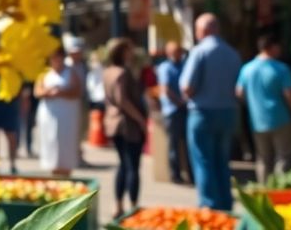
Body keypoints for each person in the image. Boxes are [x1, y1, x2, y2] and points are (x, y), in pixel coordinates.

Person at [180, 13, 242, 211]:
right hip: (228, 113)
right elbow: (239, 89)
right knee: (222, 161)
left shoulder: (199, 52)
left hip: (203, 114)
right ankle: (226, 204)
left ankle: (209, 206)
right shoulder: (233, 53)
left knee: (203, 160)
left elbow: (187, 86)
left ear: (203, 30)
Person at [236, 35, 291, 184]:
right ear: (272, 47)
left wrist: (253, 104)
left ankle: (263, 191)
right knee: (284, 157)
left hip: (257, 120)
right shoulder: (281, 69)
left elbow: (239, 92)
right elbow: (289, 94)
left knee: (263, 158)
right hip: (281, 118)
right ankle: (279, 190)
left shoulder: (247, 68)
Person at [103, 38, 148, 218]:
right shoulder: (122, 73)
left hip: (113, 123)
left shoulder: (108, 72)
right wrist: (140, 120)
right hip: (127, 125)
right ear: (122, 52)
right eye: (129, 50)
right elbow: (123, 101)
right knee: (132, 167)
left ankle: (118, 204)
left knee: (123, 165)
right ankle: (133, 206)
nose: (132, 53)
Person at [35, 46, 82, 176]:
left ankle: (66, 172)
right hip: (49, 114)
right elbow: (38, 92)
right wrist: (49, 92)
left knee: (65, 143)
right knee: (51, 142)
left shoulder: (71, 72)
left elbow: (77, 91)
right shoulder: (44, 73)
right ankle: (54, 171)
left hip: (66, 114)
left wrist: (62, 92)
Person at [156, 41, 190, 184]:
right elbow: (165, 89)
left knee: (187, 143)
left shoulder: (184, 65)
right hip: (173, 110)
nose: (179, 54)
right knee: (174, 143)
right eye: (177, 51)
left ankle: (189, 173)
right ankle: (175, 174)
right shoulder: (165, 68)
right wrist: (180, 102)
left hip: (184, 108)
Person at [63, 34, 90, 165]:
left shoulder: (83, 65)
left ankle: (78, 155)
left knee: (82, 130)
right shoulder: (66, 66)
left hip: (81, 100)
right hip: (69, 103)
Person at [20, 81, 39, 157]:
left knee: (29, 127)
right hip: (27, 104)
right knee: (23, 127)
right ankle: (23, 147)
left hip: (33, 104)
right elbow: (26, 93)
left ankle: (28, 148)